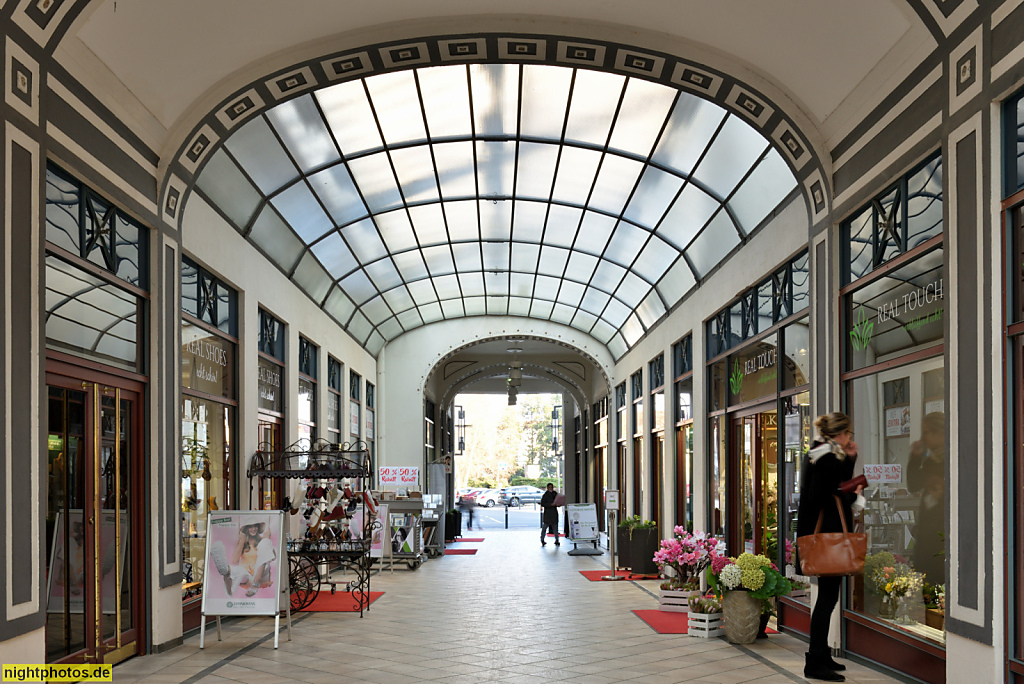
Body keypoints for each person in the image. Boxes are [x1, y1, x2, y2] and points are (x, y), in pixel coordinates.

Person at [797, 412, 865, 682]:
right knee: (826, 599)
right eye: (849, 433)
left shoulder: (823, 453)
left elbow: (831, 487)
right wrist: (851, 495)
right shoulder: (825, 457)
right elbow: (821, 495)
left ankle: (821, 655)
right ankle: (815, 660)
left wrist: (849, 460)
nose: (851, 438)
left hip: (827, 538)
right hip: (828, 539)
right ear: (841, 433)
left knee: (828, 598)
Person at [907, 411, 945, 586]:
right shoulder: (932, 460)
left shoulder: (952, 459)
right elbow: (913, 485)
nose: (922, 438)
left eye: (926, 432)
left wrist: (943, 494)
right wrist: (915, 457)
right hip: (927, 537)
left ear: (940, 433)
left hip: (941, 537)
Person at [210, 515, 276, 597]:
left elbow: (273, 557)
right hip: (247, 575)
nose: (253, 529)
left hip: (261, 574)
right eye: (250, 527)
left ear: (258, 528)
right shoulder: (242, 542)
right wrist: (242, 541)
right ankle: (226, 571)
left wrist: (267, 539)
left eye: (255, 526)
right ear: (246, 529)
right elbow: (234, 560)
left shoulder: (263, 541)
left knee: (265, 543)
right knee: (238, 571)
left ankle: (256, 581)